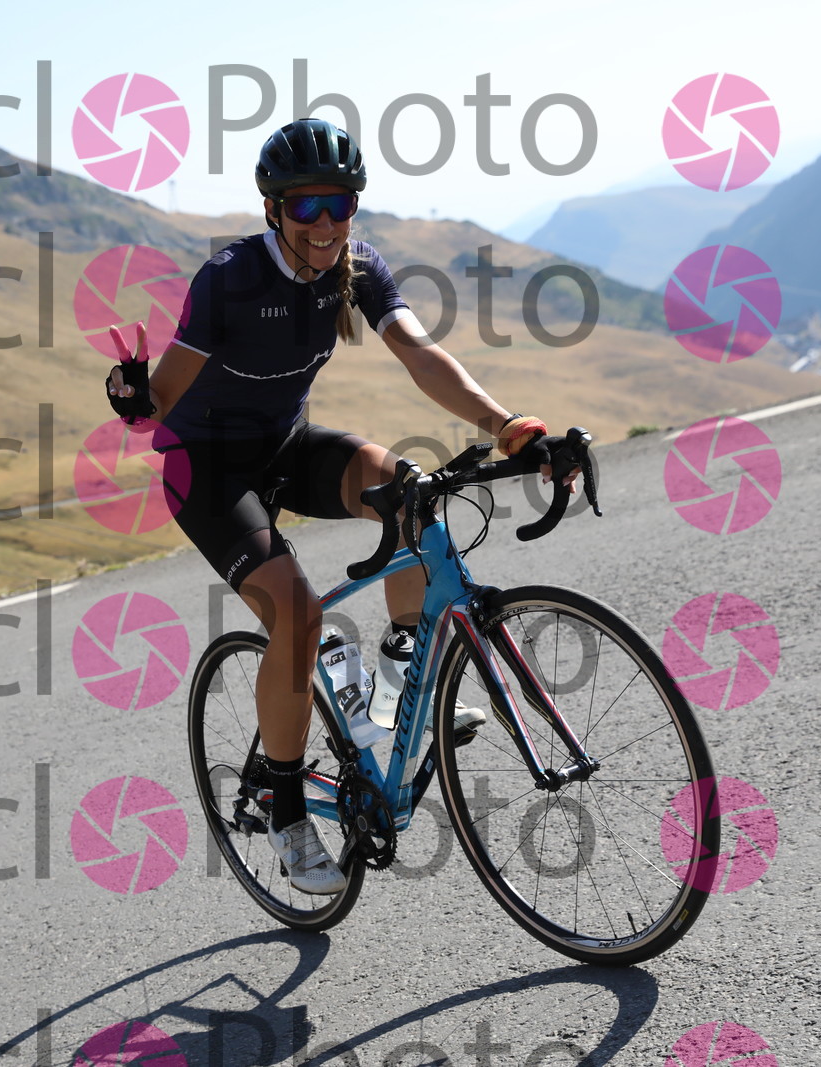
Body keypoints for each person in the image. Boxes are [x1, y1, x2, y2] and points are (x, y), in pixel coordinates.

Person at [107, 118, 565, 895]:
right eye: (306, 205)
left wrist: (508, 425)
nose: (325, 223)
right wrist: (132, 396)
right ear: (273, 209)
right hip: (208, 472)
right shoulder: (229, 279)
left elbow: (421, 354)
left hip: (286, 448)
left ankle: (393, 691)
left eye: (340, 203)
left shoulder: (359, 269)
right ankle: (286, 812)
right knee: (299, 615)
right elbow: (164, 399)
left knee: (411, 495)